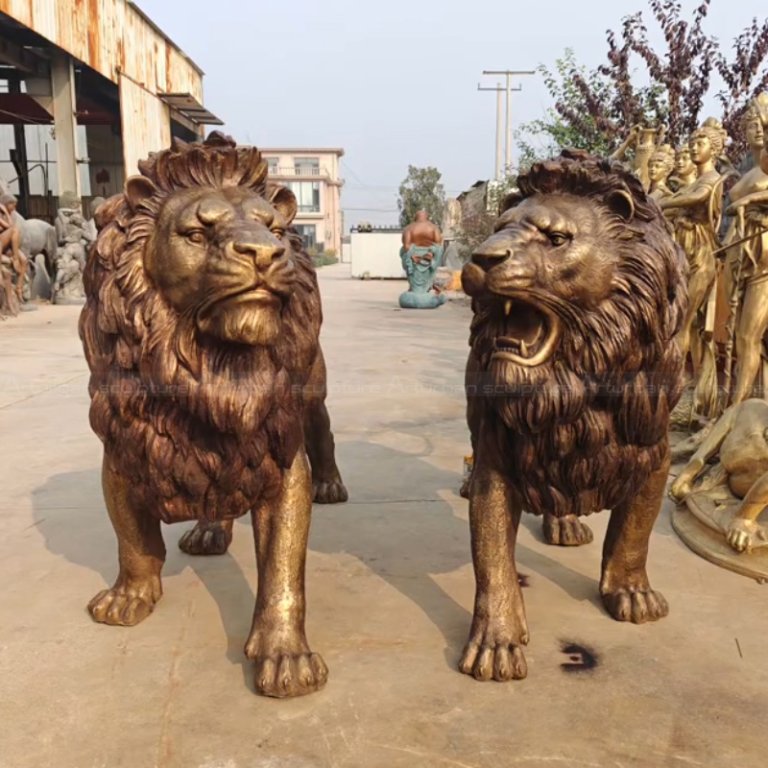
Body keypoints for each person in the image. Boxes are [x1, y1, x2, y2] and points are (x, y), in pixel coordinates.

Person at [0, 193, 27, 301]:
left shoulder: (10, 215)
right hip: (1, 243)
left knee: (24, 260)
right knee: (15, 230)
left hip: (9, 245)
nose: (14, 208)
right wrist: (5, 212)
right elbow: (9, 227)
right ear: (6, 204)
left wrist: (7, 213)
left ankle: (19, 287)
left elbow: (10, 225)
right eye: (13, 206)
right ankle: (15, 257)